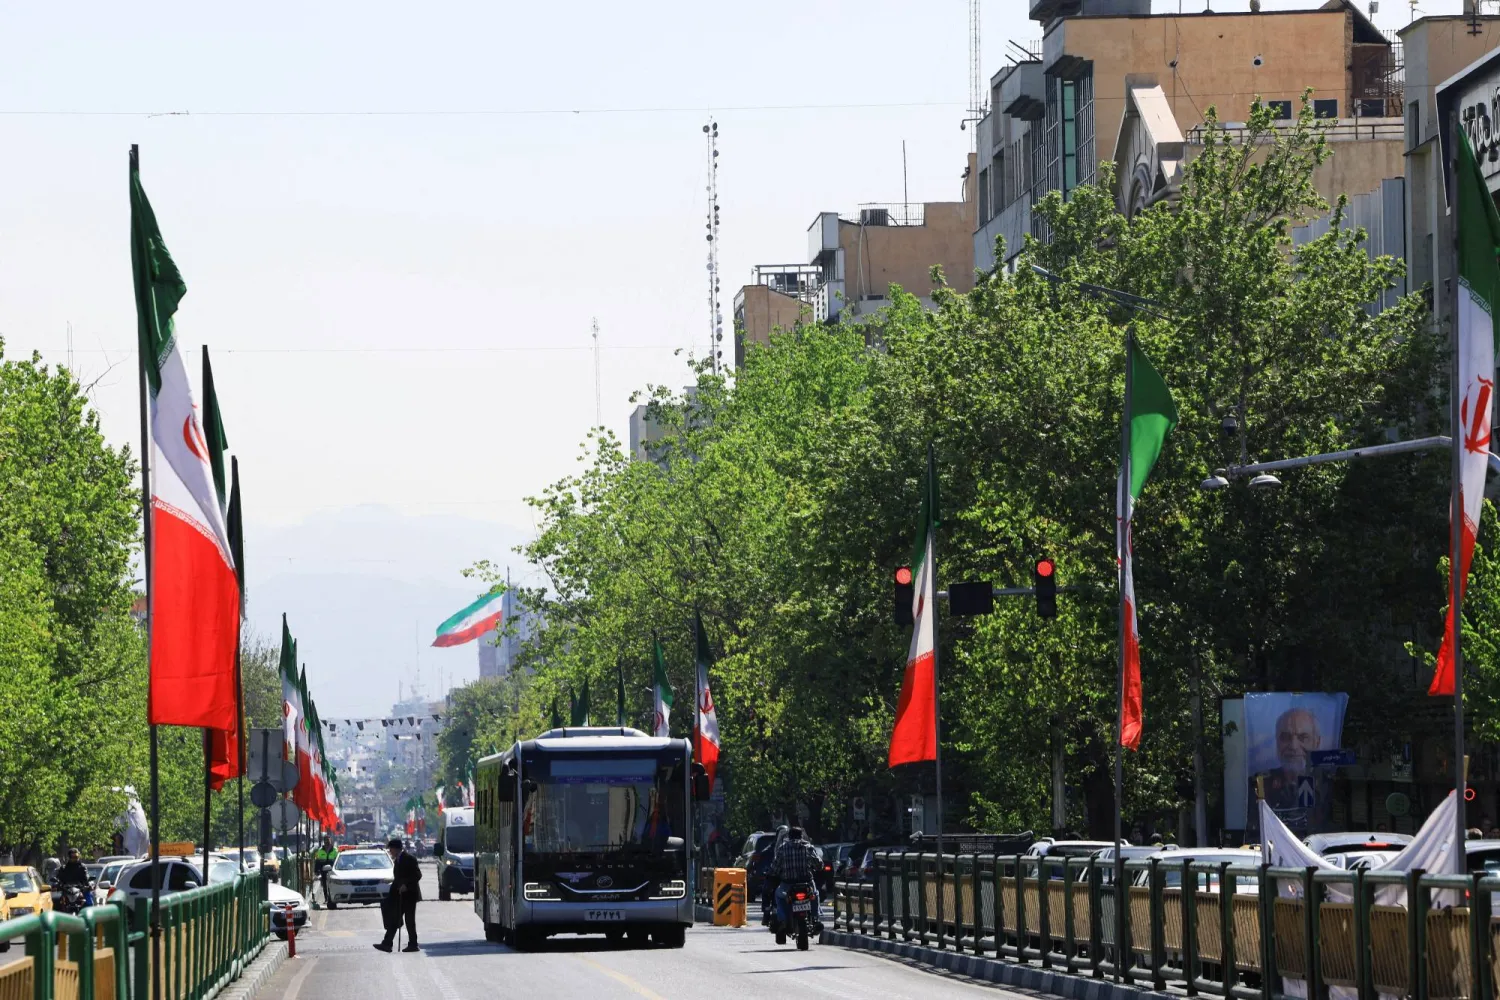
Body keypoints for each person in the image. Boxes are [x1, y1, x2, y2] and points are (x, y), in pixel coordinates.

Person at [770, 827, 821, 934]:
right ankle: (816, 918)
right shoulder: (808, 847)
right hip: (807, 883)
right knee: (815, 895)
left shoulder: (782, 848)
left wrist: (774, 873)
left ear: (788, 836)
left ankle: (783, 920)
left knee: (778, 896)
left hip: (788, 884)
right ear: (801, 836)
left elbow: (775, 868)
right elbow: (819, 864)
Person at [374, 838, 422, 953]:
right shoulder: (397, 860)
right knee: (394, 919)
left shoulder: (409, 859)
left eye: (390, 849)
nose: (390, 851)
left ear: (395, 849)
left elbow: (417, 875)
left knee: (409, 920)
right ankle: (387, 944)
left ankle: (413, 944)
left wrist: (406, 885)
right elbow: (398, 879)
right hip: (400, 895)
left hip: (410, 895)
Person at [314, 836, 339, 905]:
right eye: (326, 840)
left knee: (332, 884)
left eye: (328, 840)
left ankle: (334, 898)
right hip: (323, 871)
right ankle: (326, 899)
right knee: (324, 885)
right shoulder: (320, 851)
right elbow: (317, 861)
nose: (327, 842)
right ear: (324, 841)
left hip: (332, 871)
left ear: (331, 841)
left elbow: (338, 861)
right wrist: (316, 871)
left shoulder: (335, 850)